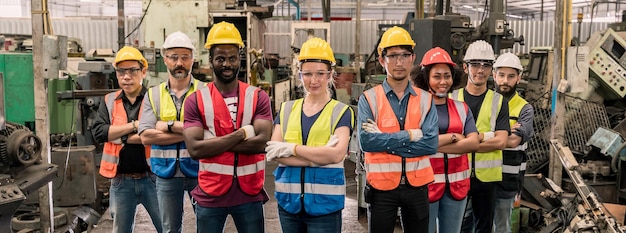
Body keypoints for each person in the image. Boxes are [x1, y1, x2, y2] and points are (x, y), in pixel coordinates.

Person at [182, 21, 273, 233]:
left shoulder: (258, 97)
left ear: (239, 59)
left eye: (232, 58)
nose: (227, 64)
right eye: (220, 58)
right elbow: (195, 149)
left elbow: (262, 143)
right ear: (211, 60)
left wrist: (212, 143)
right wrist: (243, 133)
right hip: (210, 192)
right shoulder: (196, 100)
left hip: (249, 192)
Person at [265, 37, 355, 233]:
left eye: (320, 73)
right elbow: (275, 152)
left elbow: (336, 155)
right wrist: (318, 157)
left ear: (330, 74)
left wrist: (292, 149)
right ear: (299, 75)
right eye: (307, 74)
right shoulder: (287, 109)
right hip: (289, 204)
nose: (313, 80)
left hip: (325, 208)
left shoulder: (341, 112)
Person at [358, 26, 438, 233]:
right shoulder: (369, 99)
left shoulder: (426, 100)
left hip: (417, 188)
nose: (399, 62)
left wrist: (384, 142)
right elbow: (367, 142)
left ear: (413, 58)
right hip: (381, 189)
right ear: (382, 59)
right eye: (393, 56)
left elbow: (430, 144)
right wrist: (410, 135)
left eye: (404, 55)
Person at [138, 31, 205, 233]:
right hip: (165, 174)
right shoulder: (154, 94)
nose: (179, 63)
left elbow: (208, 132)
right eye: (174, 57)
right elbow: (145, 136)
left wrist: (166, 125)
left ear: (193, 59)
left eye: (185, 57)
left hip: (199, 172)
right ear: (165, 59)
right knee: (169, 229)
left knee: (208, 225)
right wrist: (189, 130)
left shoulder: (205, 91)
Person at [92, 46, 162, 233]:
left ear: (143, 71)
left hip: (153, 179)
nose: (126, 76)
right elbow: (99, 133)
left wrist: (118, 136)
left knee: (167, 227)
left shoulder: (155, 99)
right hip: (121, 182)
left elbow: (157, 133)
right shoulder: (108, 101)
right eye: (121, 71)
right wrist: (135, 126)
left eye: (132, 70)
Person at [411, 47, 480, 233]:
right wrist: (453, 137)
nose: (443, 82)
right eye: (437, 76)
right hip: (426, 187)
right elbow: (415, 145)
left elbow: (473, 143)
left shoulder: (461, 108)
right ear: (426, 78)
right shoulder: (415, 109)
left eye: (447, 76)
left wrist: (431, 144)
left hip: (457, 187)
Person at [453, 40, 510, 233]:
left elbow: (501, 141)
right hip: (457, 174)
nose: (480, 70)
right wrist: (487, 137)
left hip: (487, 179)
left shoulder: (499, 101)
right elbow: (444, 137)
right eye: (475, 64)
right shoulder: (452, 99)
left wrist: (464, 141)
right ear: (465, 67)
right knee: (457, 226)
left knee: (484, 227)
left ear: (491, 69)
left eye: (486, 65)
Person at [492, 53, 534, 233]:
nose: (505, 81)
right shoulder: (486, 102)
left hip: (508, 179)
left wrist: (485, 135)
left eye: (510, 76)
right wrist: (507, 131)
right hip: (481, 176)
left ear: (519, 78)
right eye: (501, 75)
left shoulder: (525, 108)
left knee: (502, 227)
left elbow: (514, 141)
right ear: (494, 76)